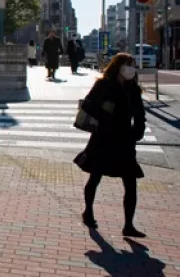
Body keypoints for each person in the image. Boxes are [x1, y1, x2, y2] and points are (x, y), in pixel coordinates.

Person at [74, 53, 147, 237]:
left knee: (130, 183)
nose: (132, 69)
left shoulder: (133, 89)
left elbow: (140, 114)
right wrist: (105, 115)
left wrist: (138, 132)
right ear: (119, 66)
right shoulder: (104, 85)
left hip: (125, 140)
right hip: (104, 138)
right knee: (95, 176)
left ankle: (128, 225)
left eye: (133, 66)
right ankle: (88, 211)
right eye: (128, 65)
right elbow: (88, 105)